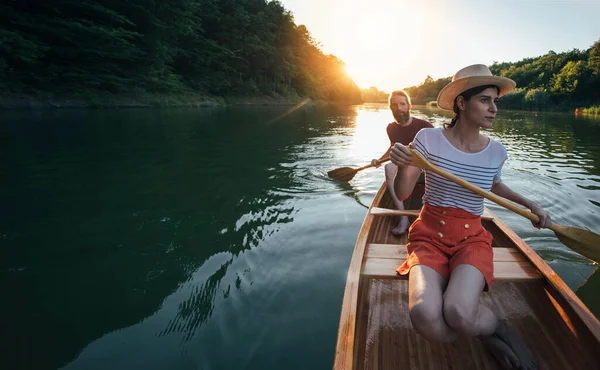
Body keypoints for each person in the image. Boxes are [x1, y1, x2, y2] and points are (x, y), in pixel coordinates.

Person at [390, 64, 551, 370]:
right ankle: (485, 334)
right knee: (425, 317)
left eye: (495, 101)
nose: (494, 109)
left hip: (471, 238)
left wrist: (530, 204)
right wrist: (401, 165)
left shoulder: (496, 152)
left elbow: (494, 185)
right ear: (462, 103)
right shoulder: (427, 140)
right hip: (428, 235)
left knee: (460, 312)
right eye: (485, 100)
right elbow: (403, 189)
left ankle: (497, 328)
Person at [371, 90, 433, 235]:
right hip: (403, 174)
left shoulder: (425, 127)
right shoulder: (391, 128)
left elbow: (439, 152)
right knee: (388, 167)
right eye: (394, 105)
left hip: (426, 173)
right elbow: (392, 147)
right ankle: (403, 218)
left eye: (402, 104)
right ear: (390, 108)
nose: (398, 108)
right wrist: (379, 160)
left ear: (409, 106)